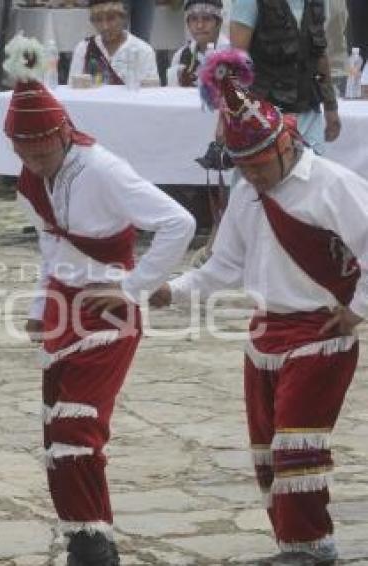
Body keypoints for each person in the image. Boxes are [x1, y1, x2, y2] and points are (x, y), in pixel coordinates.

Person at [152, 48, 368, 565]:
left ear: (285, 141)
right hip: (265, 332)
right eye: (242, 166)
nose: (251, 175)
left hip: (321, 330)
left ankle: (312, 547)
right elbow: (222, 266)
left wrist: (359, 306)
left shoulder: (332, 185)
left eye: (258, 164)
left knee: (298, 444)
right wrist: (173, 291)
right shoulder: (247, 196)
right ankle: (295, 544)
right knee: (268, 450)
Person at [3, 34, 195, 566]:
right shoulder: (30, 176)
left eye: (42, 150)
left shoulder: (104, 169)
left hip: (109, 310)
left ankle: (94, 548)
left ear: (63, 131)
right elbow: (50, 241)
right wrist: (41, 307)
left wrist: (134, 287)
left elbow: (179, 222)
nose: (36, 161)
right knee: (55, 431)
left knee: (77, 425)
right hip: (64, 307)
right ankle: (87, 540)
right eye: (24, 152)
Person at [229, 0, 341, 154]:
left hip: (309, 113)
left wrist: (330, 105)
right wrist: (229, 115)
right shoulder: (248, 2)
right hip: (264, 116)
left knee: (312, 175)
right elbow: (235, 62)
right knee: (260, 175)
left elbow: (319, 57)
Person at [69, 0, 159, 85]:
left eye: (111, 18)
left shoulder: (143, 51)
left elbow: (150, 94)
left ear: (123, 18)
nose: (105, 27)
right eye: (98, 20)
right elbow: (73, 90)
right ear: (92, 22)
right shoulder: (84, 48)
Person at [167, 0, 230, 86]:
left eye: (206, 19)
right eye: (194, 19)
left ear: (218, 23)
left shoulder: (231, 54)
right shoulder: (181, 55)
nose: (200, 26)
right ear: (188, 24)